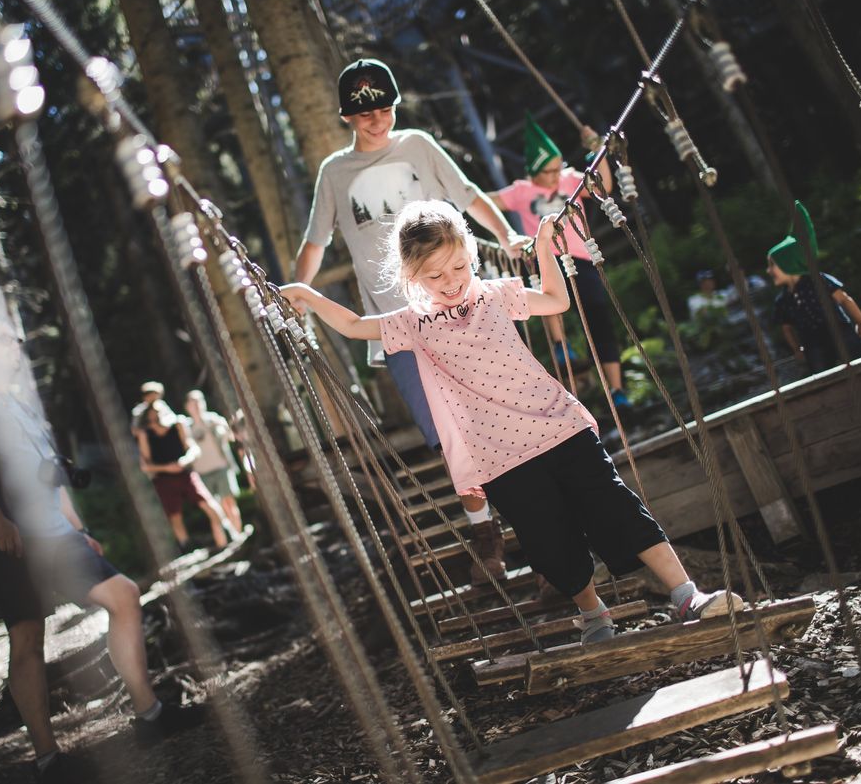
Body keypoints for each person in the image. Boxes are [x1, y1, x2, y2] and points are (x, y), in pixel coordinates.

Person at [281, 201, 742, 642]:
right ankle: (592, 613)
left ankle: (686, 595)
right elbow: (357, 325)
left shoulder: (495, 294)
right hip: (498, 455)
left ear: (471, 254)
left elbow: (556, 300)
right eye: (434, 275)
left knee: (615, 504)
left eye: (458, 266)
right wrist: (307, 296)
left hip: (556, 424)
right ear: (411, 276)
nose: (450, 281)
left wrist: (544, 247)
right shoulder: (412, 323)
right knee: (548, 537)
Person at [294, 57, 532, 583]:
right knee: (447, 438)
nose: (377, 121)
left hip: (461, 310)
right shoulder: (335, 172)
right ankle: (486, 533)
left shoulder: (419, 145)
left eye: (384, 108)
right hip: (396, 324)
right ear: (346, 119)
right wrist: (299, 292)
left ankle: (535, 530)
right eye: (364, 114)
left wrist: (509, 235)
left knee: (498, 417)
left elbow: (467, 194)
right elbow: (317, 241)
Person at [0, 319, 202, 782]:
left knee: (122, 594)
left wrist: (80, 529)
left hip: (57, 535)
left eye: (15, 341)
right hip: (10, 539)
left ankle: (149, 715)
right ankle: (48, 759)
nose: (13, 348)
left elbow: (51, 477)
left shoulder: (20, 408)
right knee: (27, 639)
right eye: (1, 340)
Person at [489, 115, 628, 408]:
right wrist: (507, 233)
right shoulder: (521, 191)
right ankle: (560, 345)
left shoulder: (571, 180)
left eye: (557, 168)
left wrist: (596, 148)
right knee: (548, 297)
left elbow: (602, 188)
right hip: (546, 258)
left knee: (598, 317)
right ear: (534, 171)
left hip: (580, 257)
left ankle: (616, 389)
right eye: (548, 171)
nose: (555, 176)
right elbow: (486, 202)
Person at [767, 201, 861, 374]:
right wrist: (797, 349)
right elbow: (786, 327)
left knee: (859, 360)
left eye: (772, 266)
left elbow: (844, 299)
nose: (769, 271)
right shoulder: (783, 299)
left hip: (839, 331)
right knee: (822, 372)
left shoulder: (818, 281)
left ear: (789, 264)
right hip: (813, 343)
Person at [134, 399, 231, 552]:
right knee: (174, 515)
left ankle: (226, 534)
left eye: (158, 416)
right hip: (163, 480)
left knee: (207, 502)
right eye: (152, 418)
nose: (156, 421)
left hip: (186, 474)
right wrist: (167, 468)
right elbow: (145, 465)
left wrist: (183, 461)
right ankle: (186, 547)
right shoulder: (146, 434)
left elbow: (193, 448)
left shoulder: (178, 424)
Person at [183, 390, 244, 535]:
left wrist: (224, 426)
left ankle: (239, 533)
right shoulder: (186, 427)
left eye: (199, 402)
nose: (197, 407)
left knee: (229, 503)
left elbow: (231, 438)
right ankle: (228, 538)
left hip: (221, 467)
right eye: (193, 404)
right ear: (187, 407)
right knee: (215, 509)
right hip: (201, 473)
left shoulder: (214, 420)